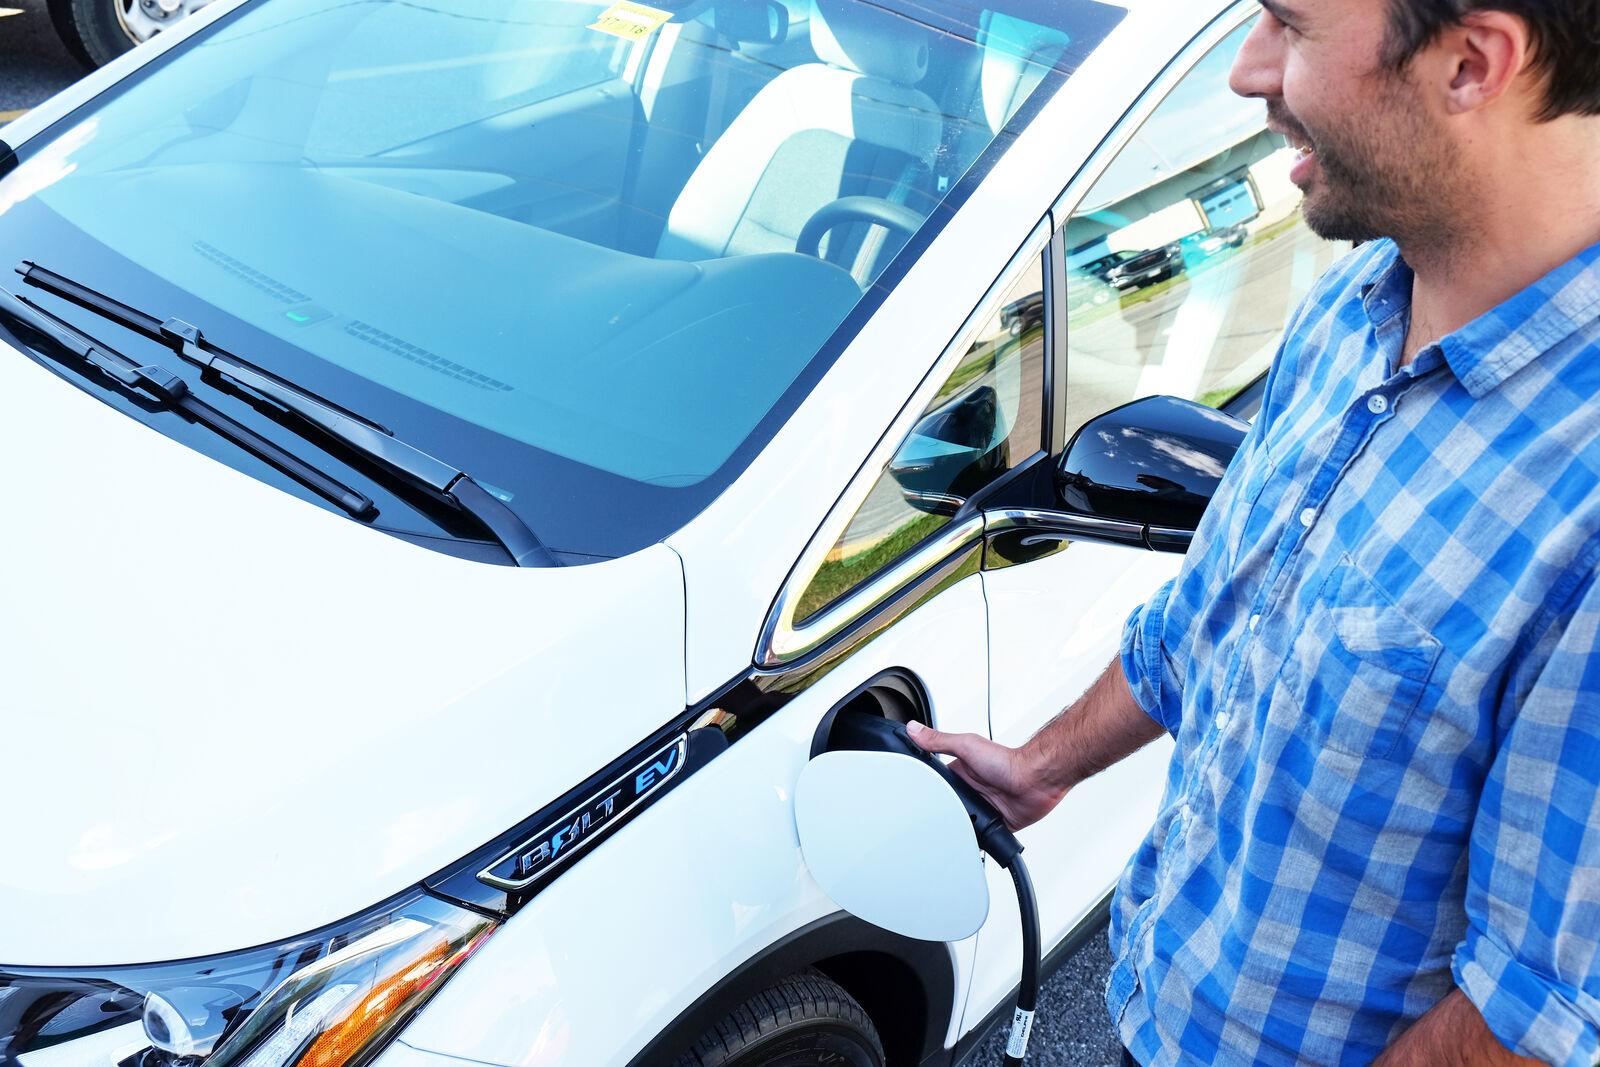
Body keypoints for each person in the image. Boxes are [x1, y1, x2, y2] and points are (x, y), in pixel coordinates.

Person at [907, 1, 1600, 1063]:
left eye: (1289, 23)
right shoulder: (1358, 300)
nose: (1244, 72)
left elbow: (1530, 1012)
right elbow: (1214, 615)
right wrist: (1043, 763)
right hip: (1155, 1007)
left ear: (1469, 65)